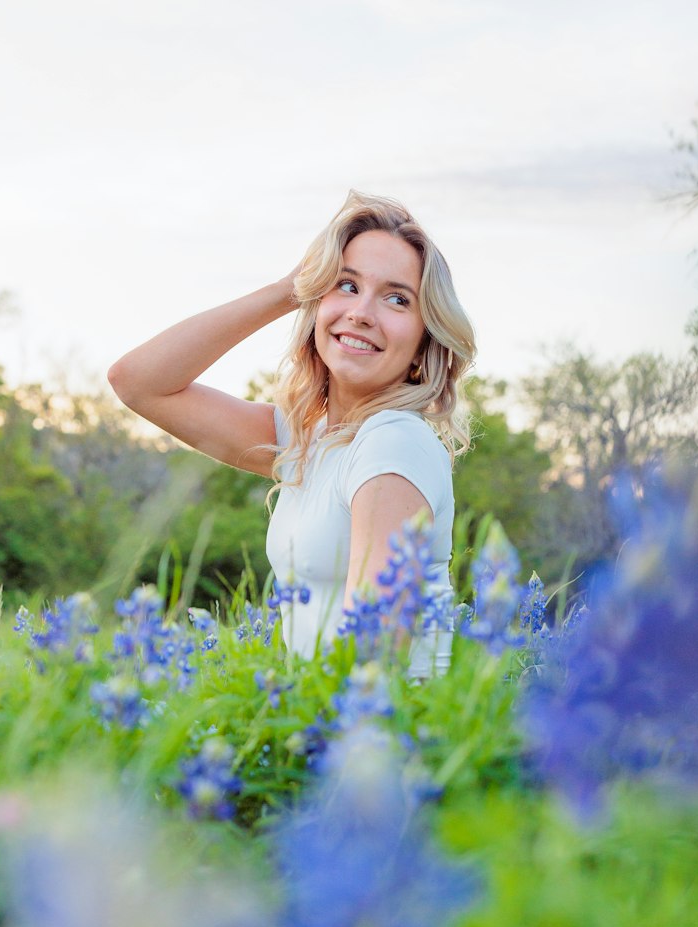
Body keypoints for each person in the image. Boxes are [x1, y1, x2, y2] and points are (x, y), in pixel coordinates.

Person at [108, 190, 477, 676]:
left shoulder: (394, 441)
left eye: (396, 298)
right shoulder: (307, 439)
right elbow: (138, 382)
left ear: (424, 341)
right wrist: (289, 288)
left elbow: (375, 651)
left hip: (378, 734)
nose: (362, 312)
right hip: (318, 714)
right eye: (346, 285)